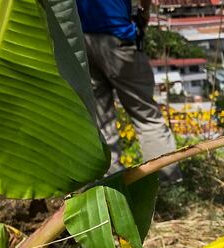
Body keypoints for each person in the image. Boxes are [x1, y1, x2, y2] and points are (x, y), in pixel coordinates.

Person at [76, 0, 181, 182]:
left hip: (82, 41)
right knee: (146, 117)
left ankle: (112, 188)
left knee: (102, 122)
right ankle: (166, 182)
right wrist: (144, 10)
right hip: (118, 39)